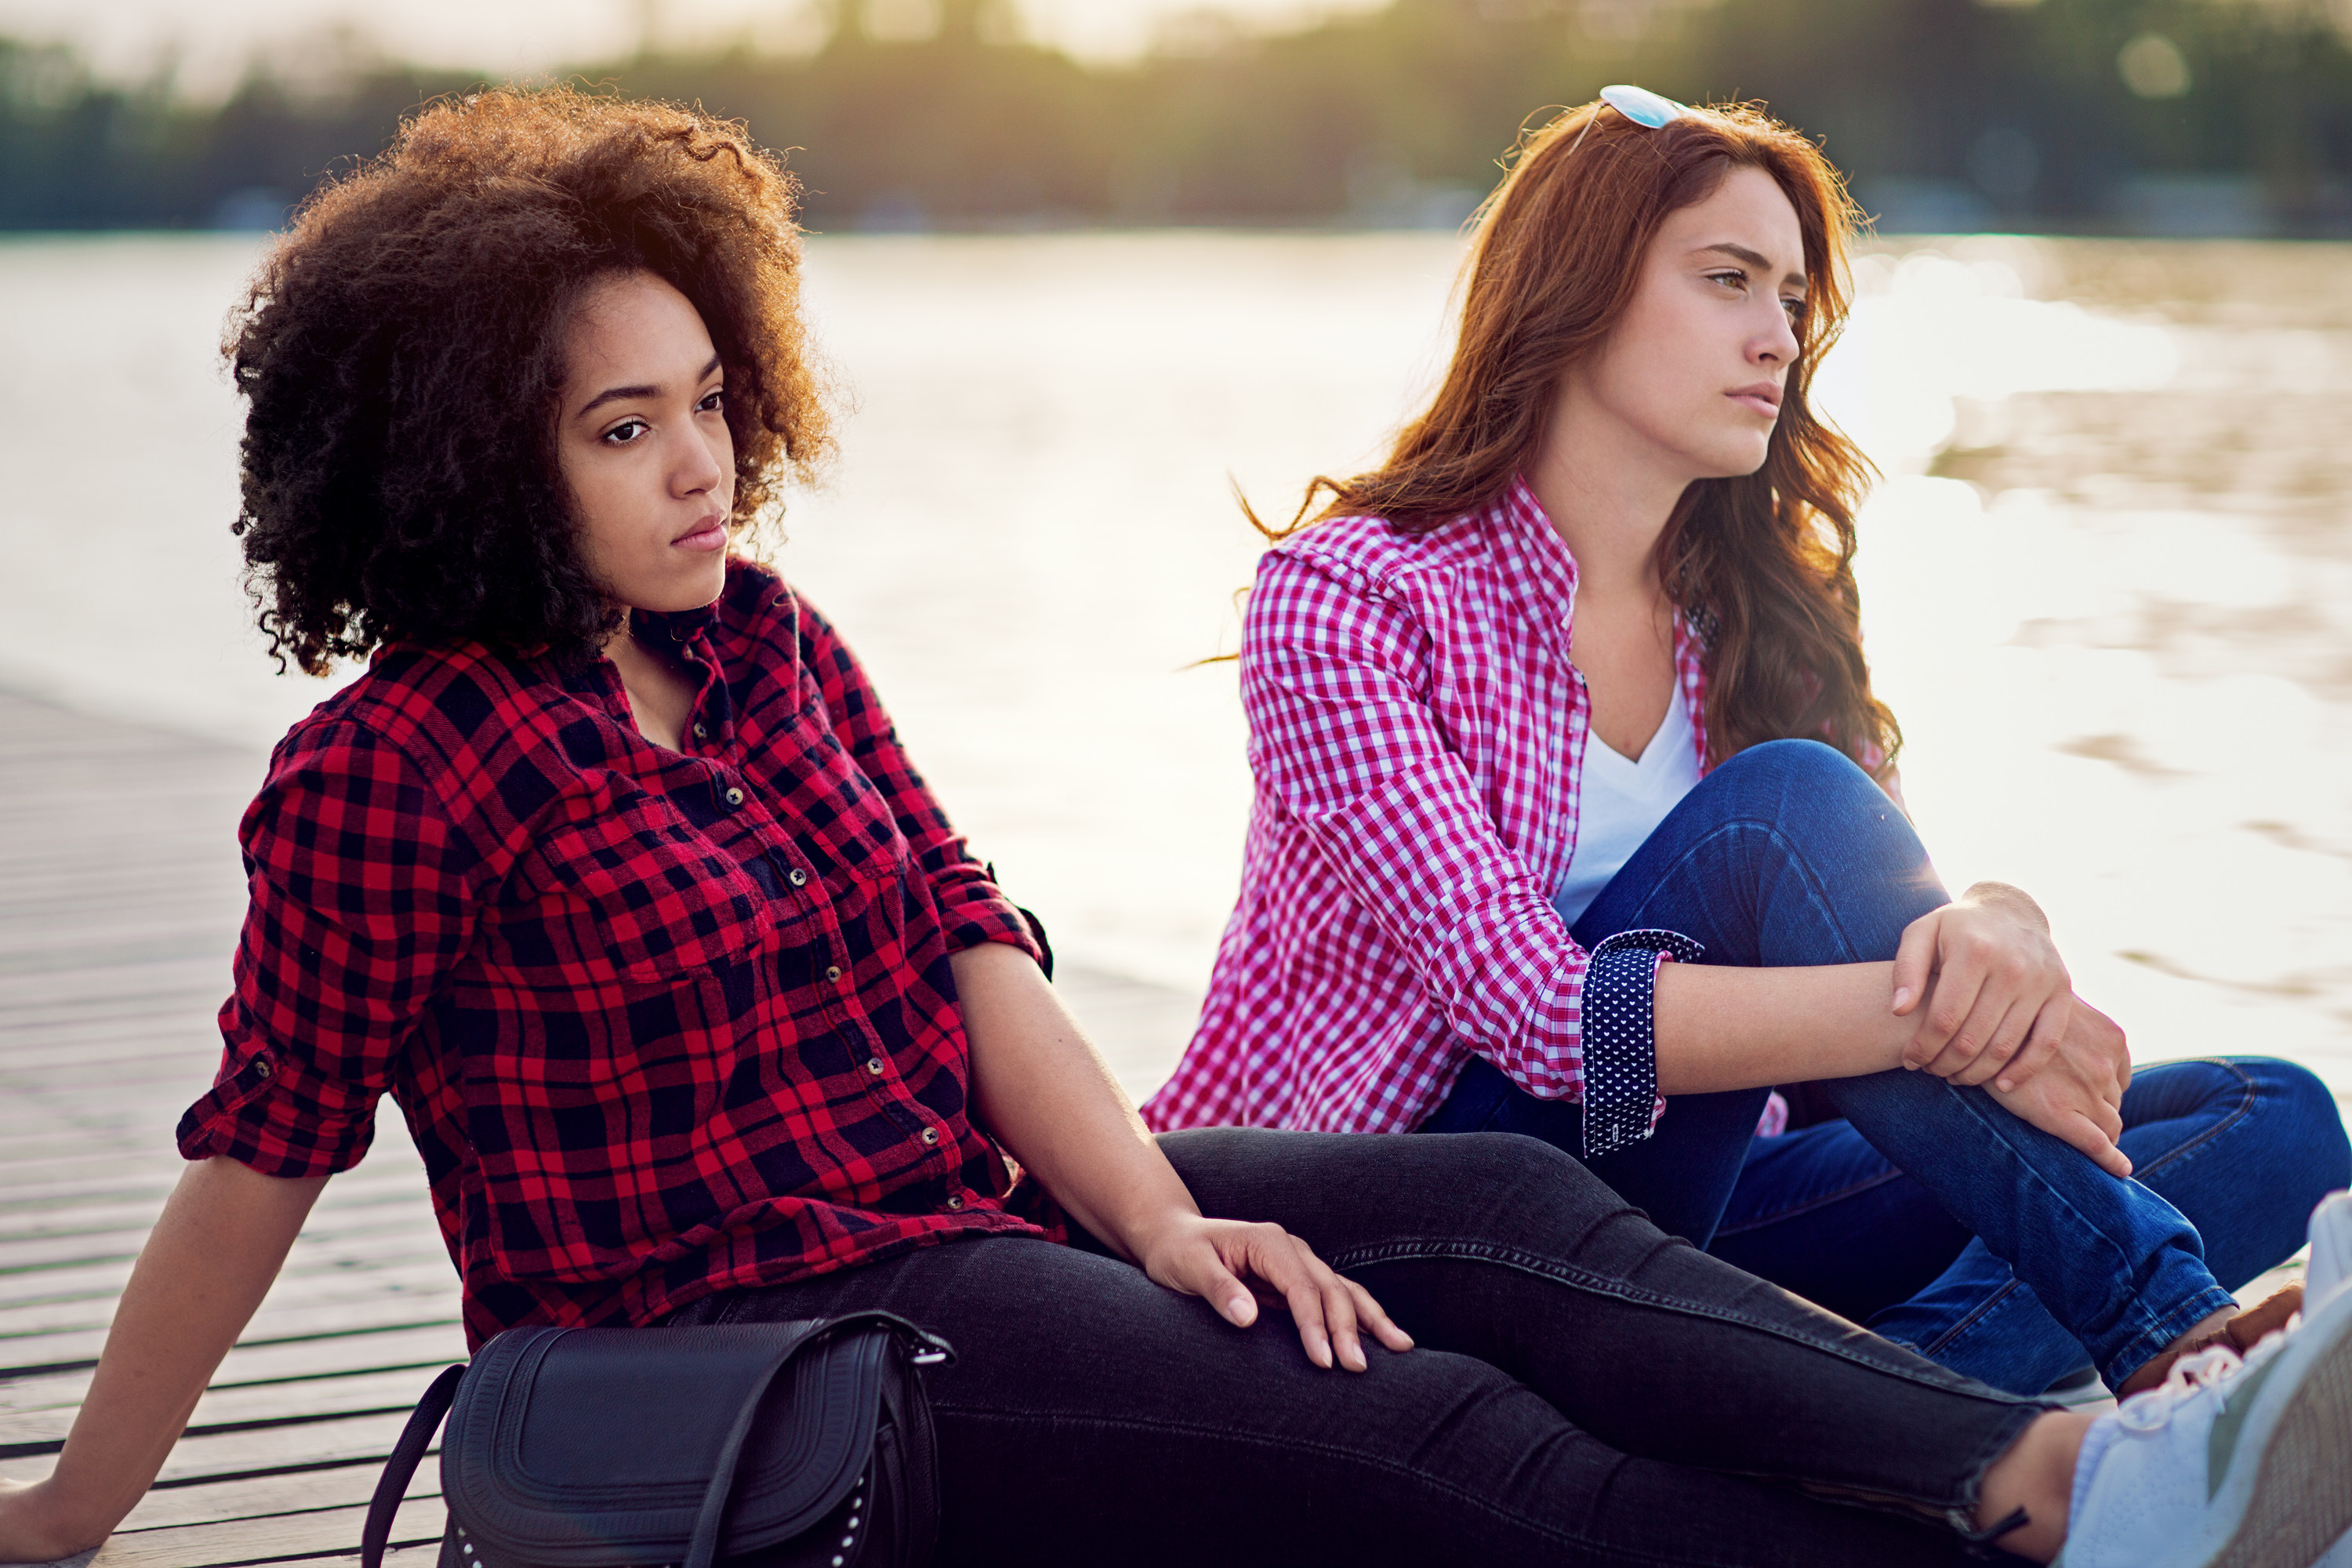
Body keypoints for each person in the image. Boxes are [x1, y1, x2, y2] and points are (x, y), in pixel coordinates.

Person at [0, 86, 2347, 1568]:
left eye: (712, 402)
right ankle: (2067, 1502)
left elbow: (971, 952)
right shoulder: (391, 771)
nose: (704, 467)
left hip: (995, 1210)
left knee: (1510, 1209)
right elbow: (262, 1149)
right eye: (626, 432)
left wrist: (1161, 1211)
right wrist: (84, 1506)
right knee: (1428, 1422)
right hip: (771, 1338)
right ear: (458, 462)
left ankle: (2070, 1464)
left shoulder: (766, 645)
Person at [1142, 85, 2352, 1402]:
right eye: (1729, 280)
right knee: (1780, 811)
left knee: (2271, 1120)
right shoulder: (1353, 596)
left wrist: (2002, 928)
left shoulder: (1764, 609)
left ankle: (1890, 1404)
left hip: (1688, 1191)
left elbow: (1880, 918)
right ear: (1578, 290)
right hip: (1408, 1203)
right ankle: (2153, 1325)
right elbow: (1545, 1021)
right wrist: (1939, 1025)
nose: (1776, 336)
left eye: (1791, 299)